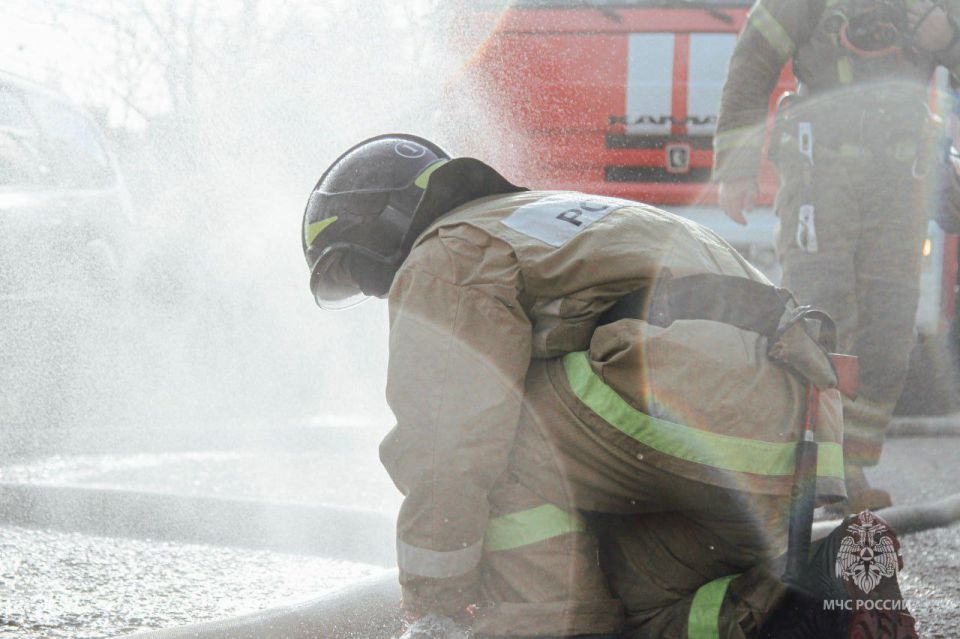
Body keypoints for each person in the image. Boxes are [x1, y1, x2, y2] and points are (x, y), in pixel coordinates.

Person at [302, 134, 919, 638]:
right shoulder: (560, 217)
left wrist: (434, 608)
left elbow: (447, 444)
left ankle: (547, 628)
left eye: (356, 268)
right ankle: (825, 606)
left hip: (697, 409)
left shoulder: (449, 250)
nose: (374, 288)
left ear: (383, 226)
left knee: (496, 434)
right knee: (643, 597)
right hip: (794, 439)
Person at [713, 0, 960, 512]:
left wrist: (950, 34)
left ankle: (851, 468)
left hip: (901, 185)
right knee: (821, 321)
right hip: (819, 176)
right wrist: (736, 166)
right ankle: (812, 472)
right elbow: (753, 59)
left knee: (889, 335)